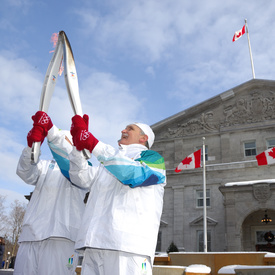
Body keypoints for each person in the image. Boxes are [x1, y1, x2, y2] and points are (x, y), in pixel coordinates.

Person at [67, 114, 167, 275]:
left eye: (130, 128)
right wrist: (79, 147)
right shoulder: (107, 163)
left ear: (144, 138)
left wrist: (93, 144)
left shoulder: (153, 159)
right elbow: (80, 178)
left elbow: (131, 174)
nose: (123, 130)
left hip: (129, 248)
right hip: (94, 244)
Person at [14, 111, 88, 275]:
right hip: (31, 235)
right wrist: (31, 147)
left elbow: (72, 166)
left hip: (62, 238)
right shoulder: (46, 166)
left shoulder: (85, 169)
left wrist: (53, 132)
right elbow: (25, 173)